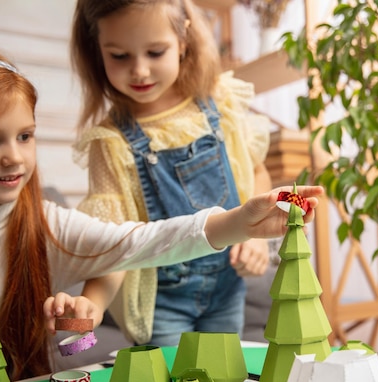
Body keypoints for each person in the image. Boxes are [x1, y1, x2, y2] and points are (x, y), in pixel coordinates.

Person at [0, 31, 322, 382]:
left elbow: (141, 240)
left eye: (25, 136)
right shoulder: (111, 143)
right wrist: (92, 310)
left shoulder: (45, 224)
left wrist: (241, 222)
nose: (14, 157)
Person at [70, 0, 274, 347]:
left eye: (155, 52)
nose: (140, 71)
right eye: (119, 56)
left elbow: (257, 174)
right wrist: (93, 302)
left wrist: (256, 237)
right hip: (161, 304)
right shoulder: (111, 141)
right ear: (97, 50)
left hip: (227, 290)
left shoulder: (220, 103)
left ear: (183, 41)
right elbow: (114, 243)